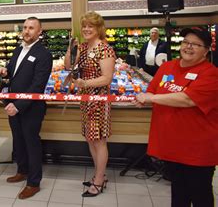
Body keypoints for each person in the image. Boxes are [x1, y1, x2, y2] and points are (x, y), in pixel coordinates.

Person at [133, 27, 217, 207]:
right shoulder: (167, 67)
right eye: (186, 42)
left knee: (201, 194)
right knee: (178, 192)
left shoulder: (210, 74)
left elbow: (187, 99)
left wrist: (152, 98)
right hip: (171, 145)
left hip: (197, 149)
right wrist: (147, 98)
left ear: (207, 50)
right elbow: (152, 90)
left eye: (196, 44)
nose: (188, 47)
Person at [0, 17, 53, 200]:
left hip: (31, 108)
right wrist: (5, 73)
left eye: (31, 28)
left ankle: (34, 182)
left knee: (32, 143)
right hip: (13, 105)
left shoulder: (44, 54)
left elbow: (37, 86)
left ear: (39, 32)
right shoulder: (18, 50)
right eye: (25, 27)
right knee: (18, 140)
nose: (27, 31)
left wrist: (18, 105)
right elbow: (12, 75)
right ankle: (22, 170)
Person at [65, 11, 115, 197]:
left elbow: (107, 78)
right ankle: (98, 174)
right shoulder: (84, 48)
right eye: (84, 25)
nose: (86, 29)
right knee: (90, 138)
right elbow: (68, 66)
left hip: (100, 100)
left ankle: (100, 180)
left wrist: (85, 83)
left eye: (90, 26)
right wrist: (71, 49)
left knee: (99, 141)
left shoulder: (105, 49)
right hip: (86, 99)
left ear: (98, 28)